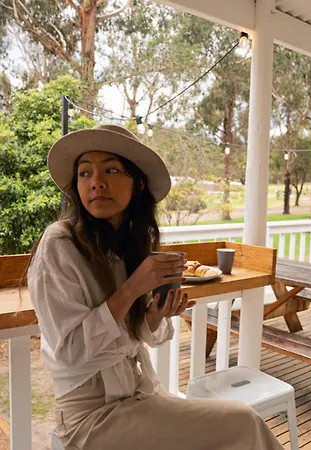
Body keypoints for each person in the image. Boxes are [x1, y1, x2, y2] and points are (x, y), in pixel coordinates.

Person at [27, 124, 284, 450]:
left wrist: (155, 315)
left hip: (139, 394)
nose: (96, 182)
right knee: (243, 422)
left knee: (238, 424)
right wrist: (133, 288)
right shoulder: (60, 244)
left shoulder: (130, 246)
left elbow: (136, 336)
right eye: (84, 173)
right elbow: (70, 352)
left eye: (110, 170)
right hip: (92, 417)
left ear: (137, 184)